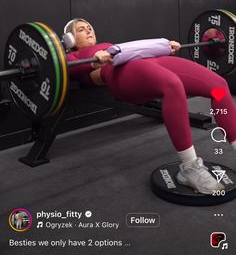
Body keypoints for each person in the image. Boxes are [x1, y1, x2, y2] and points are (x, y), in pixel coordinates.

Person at [65, 18, 236, 195]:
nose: (88, 31)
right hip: (120, 73)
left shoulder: (107, 46)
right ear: (70, 40)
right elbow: (68, 69)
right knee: (172, 86)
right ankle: (189, 168)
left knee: (219, 87)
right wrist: (94, 62)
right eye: (81, 30)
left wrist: (166, 46)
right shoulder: (73, 57)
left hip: (148, 58)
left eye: (89, 27)